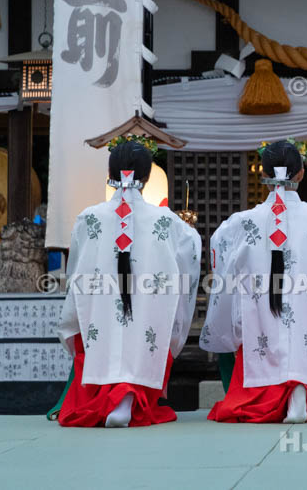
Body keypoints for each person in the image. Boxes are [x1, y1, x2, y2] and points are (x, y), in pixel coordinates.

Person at [202, 139, 307, 424]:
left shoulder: (237, 225)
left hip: (258, 311)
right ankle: (300, 388)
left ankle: (274, 393)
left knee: (259, 316)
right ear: (300, 173)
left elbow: (222, 274)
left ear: (263, 174)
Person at [57, 139, 201, 428]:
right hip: (147, 315)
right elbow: (189, 261)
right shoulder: (169, 223)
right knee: (151, 316)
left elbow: (75, 274)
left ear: (110, 173)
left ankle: (112, 394)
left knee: (99, 316)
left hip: (100, 311)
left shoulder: (88, 219)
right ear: (147, 176)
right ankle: (130, 394)